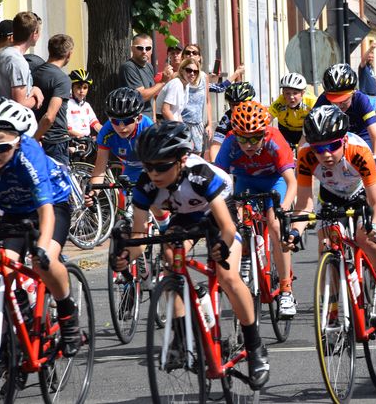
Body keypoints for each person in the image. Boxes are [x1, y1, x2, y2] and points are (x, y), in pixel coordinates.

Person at [110, 121, 270, 388]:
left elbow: (228, 227)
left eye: (161, 167)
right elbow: (139, 239)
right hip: (185, 216)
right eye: (148, 166)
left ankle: (255, 347)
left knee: (227, 275)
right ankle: (182, 339)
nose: (154, 173)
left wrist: (222, 246)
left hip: (218, 213)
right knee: (171, 261)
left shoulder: (199, 174)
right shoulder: (146, 185)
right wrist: (126, 255)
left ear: (181, 160)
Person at [284, 105, 376, 330]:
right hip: (330, 197)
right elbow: (304, 204)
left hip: (360, 196)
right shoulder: (306, 155)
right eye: (319, 149)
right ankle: (332, 310)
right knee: (325, 245)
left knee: (365, 238)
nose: (326, 154)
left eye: (333, 146)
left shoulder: (358, 151)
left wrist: (375, 226)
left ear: (344, 141)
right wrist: (294, 231)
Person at [0, 98, 82, 356]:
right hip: (12, 211)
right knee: (4, 263)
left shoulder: (29, 156)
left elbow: (46, 210)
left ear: (18, 141)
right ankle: (18, 308)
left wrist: (43, 248)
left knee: (42, 261)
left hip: (51, 205)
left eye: (1, 145)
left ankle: (67, 314)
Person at [215, 101, 298, 316]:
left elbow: (292, 182)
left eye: (254, 138)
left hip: (274, 182)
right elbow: (217, 179)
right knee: (236, 222)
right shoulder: (230, 143)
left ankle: (286, 290)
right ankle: (244, 256)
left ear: (263, 133)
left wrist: (283, 207)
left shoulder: (274, 140)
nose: (249, 144)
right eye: (243, 138)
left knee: (275, 225)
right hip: (245, 182)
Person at [315, 64, 376, 167]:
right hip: (335, 137)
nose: (339, 105)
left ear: (353, 92)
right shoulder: (323, 99)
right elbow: (308, 133)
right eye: (334, 100)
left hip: (361, 137)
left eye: (344, 100)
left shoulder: (361, 100)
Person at [89, 88, 155, 188]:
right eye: (115, 121)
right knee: (124, 200)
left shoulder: (148, 130)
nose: (121, 127)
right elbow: (99, 171)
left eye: (127, 121)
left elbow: (158, 167)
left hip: (150, 168)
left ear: (139, 118)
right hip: (130, 170)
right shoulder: (106, 133)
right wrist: (93, 192)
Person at [31, 34, 74, 164]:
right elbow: (50, 116)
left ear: (49, 50)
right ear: (69, 54)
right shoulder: (62, 79)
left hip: (36, 135)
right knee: (58, 182)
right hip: (55, 141)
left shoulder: (34, 73)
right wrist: (35, 139)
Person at [119, 33, 174, 120]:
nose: (144, 51)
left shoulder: (149, 66)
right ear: (132, 49)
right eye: (140, 48)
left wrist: (154, 117)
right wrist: (162, 82)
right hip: (135, 121)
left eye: (148, 48)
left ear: (151, 50)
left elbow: (152, 95)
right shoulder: (128, 67)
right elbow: (140, 96)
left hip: (149, 119)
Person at [0, 12, 44, 109]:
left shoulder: (2, 53)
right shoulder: (17, 60)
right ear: (34, 33)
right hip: (10, 121)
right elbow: (19, 104)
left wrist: (33, 89)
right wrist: (37, 98)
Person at [209, 81, 256, 161]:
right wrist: (214, 165)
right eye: (232, 104)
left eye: (239, 104)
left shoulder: (258, 114)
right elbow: (216, 145)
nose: (235, 108)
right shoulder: (227, 117)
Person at [268, 72, 316, 147]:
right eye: (287, 93)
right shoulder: (279, 103)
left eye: (295, 93)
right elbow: (266, 119)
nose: (291, 97)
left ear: (302, 93)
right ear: (283, 93)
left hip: (305, 130)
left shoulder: (311, 101)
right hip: (285, 130)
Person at [180, 44, 212, 154]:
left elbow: (207, 101)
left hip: (198, 125)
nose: (191, 55)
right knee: (183, 156)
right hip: (182, 123)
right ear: (183, 56)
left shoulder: (203, 77)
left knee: (197, 157)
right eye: (188, 52)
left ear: (199, 57)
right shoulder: (177, 77)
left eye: (194, 53)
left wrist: (209, 124)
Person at [158, 58, 198, 124]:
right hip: (162, 123)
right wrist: (177, 128)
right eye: (189, 70)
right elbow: (165, 110)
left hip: (171, 122)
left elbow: (177, 113)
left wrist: (183, 128)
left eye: (195, 71)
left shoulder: (186, 85)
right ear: (182, 70)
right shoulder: (176, 84)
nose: (192, 73)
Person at [67, 69, 102, 138]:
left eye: (85, 87)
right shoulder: (67, 104)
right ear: (72, 87)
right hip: (73, 141)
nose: (82, 91)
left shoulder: (86, 105)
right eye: (78, 87)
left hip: (86, 140)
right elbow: (68, 129)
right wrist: (84, 137)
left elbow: (95, 124)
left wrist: (106, 132)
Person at [358, 42, 376, 109]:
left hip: (373, 97)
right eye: (369, 57)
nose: (371, 58)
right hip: (366, 96)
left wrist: (375, 99)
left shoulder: (371, 68)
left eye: (372, 57)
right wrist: (370, 48)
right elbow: (363, 59)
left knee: (373, 117)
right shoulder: (363, 67)